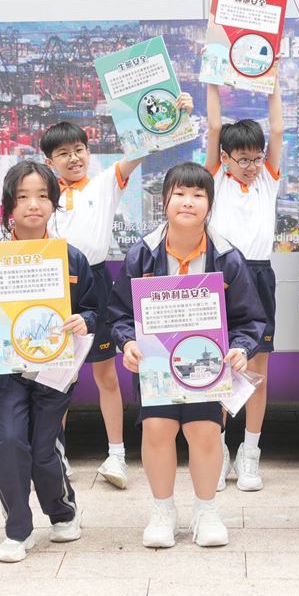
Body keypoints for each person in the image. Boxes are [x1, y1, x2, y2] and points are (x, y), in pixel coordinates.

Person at [109, 162, 266, 549]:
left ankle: (206, 510)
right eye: (179, 193)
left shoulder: (227, 257)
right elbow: (120, 314)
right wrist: (128, 343)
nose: (188, 202)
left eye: (198, 195)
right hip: (157, 367)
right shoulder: (142, 255)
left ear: (210, 204)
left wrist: (241, 348)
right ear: (164, 200)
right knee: (157, 429)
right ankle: (162, 511)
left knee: (205, 432)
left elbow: (250, 319)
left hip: (207, 367)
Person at [39, 97, 191, 490]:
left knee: (106, 374)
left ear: (89, 152)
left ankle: (117, 455)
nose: (73, 158)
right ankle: (55, 453)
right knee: (57, 376)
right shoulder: (42, 194)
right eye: (63, 154)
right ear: (48, 161)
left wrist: (174, 112)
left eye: (79, 150)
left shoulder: (105, 182)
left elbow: (142, 147)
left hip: (93, 281)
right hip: (51, 285)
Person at [0, 162, 101, 563]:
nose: (33, 205)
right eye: (23, 197)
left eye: (42, 196)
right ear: (9, 205)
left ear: (54, 203)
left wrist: (85, 320)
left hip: (53, 369)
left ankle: (62, 511)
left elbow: (95, 310)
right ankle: (17, 529)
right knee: (8, 442)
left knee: (44, 446)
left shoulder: (71, 259)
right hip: (4, 370)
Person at [203, 81, 283, 491]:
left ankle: (250, 454)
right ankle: (217, 453)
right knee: (219, 367)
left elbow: (279, 129)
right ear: (225, 159)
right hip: (221, 278)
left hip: (260, 274)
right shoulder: (215, 180)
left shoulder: (268, 179)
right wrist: (212, 81)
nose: (251, 165)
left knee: (256, 369)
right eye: (243, 159)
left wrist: (272, 82)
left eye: (256, 157)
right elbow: (215, 127)